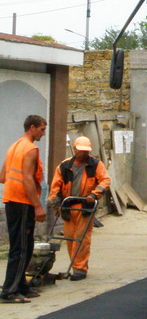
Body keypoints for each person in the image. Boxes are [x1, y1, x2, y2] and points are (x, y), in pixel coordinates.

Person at [48, 135, 111, 279]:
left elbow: (105, 181)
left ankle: (80, 269)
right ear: (75, 149)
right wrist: (56, 205)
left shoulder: (96, 164)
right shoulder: (64, 166)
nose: (84, 154)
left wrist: (94, 195)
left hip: (85, 206)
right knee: (70, 238)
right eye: (81, 151)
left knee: (82, 238)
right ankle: (74, 264)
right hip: (68, 207)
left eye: (86, 151)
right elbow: (55, 187)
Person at [0, 115, 47, 303]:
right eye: (42, 129)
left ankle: (21, 285)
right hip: (22, 202)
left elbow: (3, 176)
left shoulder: (15, 146)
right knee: (20, 248)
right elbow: (27, 178)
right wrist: (38, 206)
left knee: (24, 246)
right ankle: (9, 290)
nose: (44, 133)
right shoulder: (30, 149)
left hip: (12, 200)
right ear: (32, 128)